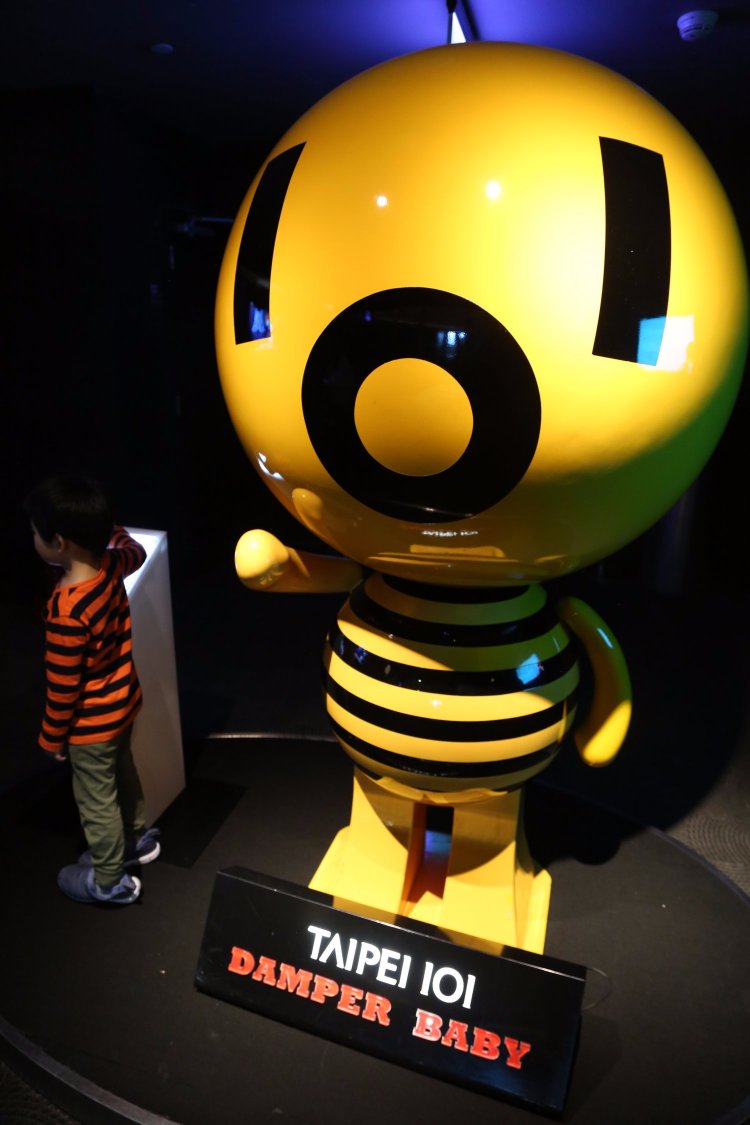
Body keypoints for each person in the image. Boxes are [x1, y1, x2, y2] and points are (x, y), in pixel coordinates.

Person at [23, 474, 161, 905]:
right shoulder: (111, 565)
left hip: (89, 728)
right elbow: (134, 549)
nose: (33, 539)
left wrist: (51, 737)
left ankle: (108, 879)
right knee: (124, 772)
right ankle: (136, 839)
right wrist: (108, 530)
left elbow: (63, 688)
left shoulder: (67, 611)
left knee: (96, 799)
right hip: (123, 706)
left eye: (35, 533)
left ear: (59, 542)